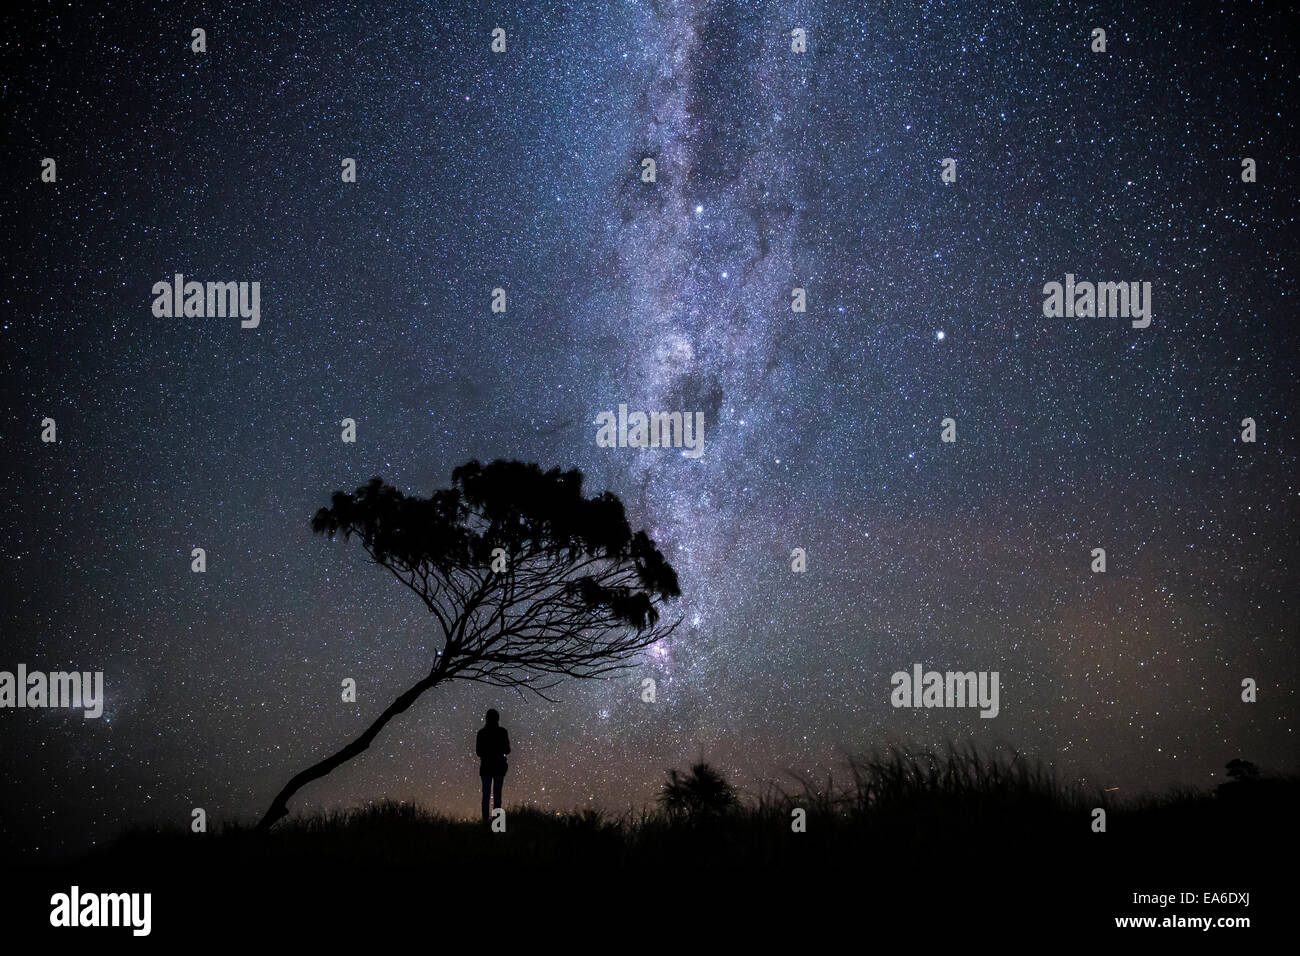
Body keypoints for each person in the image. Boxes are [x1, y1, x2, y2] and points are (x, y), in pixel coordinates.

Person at [476, 709, 510, 823]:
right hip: (498, 767)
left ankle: (485, 822)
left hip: (486, 767)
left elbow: (478, 752)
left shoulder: (481, 733)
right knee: (497, 797)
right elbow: (507, 750)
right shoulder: (502, 732)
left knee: (485, 796)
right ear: (497, 719)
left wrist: (488, 752)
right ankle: (498, 825)